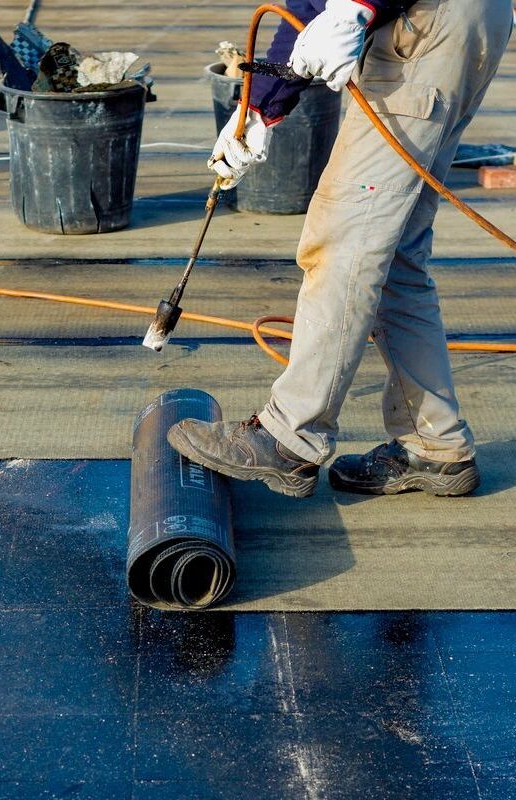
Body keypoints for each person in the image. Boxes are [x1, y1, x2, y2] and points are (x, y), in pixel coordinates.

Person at [168, 0, 513, 498]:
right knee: (392, 252)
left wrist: (359, 5)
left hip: (428, 22)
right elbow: (307, 7)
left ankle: (290, 438)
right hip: (467, 18)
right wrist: (262, 107)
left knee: (344, 239)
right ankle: (434, 444)